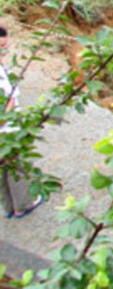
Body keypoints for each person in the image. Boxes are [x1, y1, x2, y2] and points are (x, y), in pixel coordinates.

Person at [1, 26, 45, 218]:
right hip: (7, 129)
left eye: (6, 44)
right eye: (2, 45)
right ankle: (24, 203)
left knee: (3, 167)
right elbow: (7, 102)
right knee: (15, 164)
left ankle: (9, 206)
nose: (6, 48)